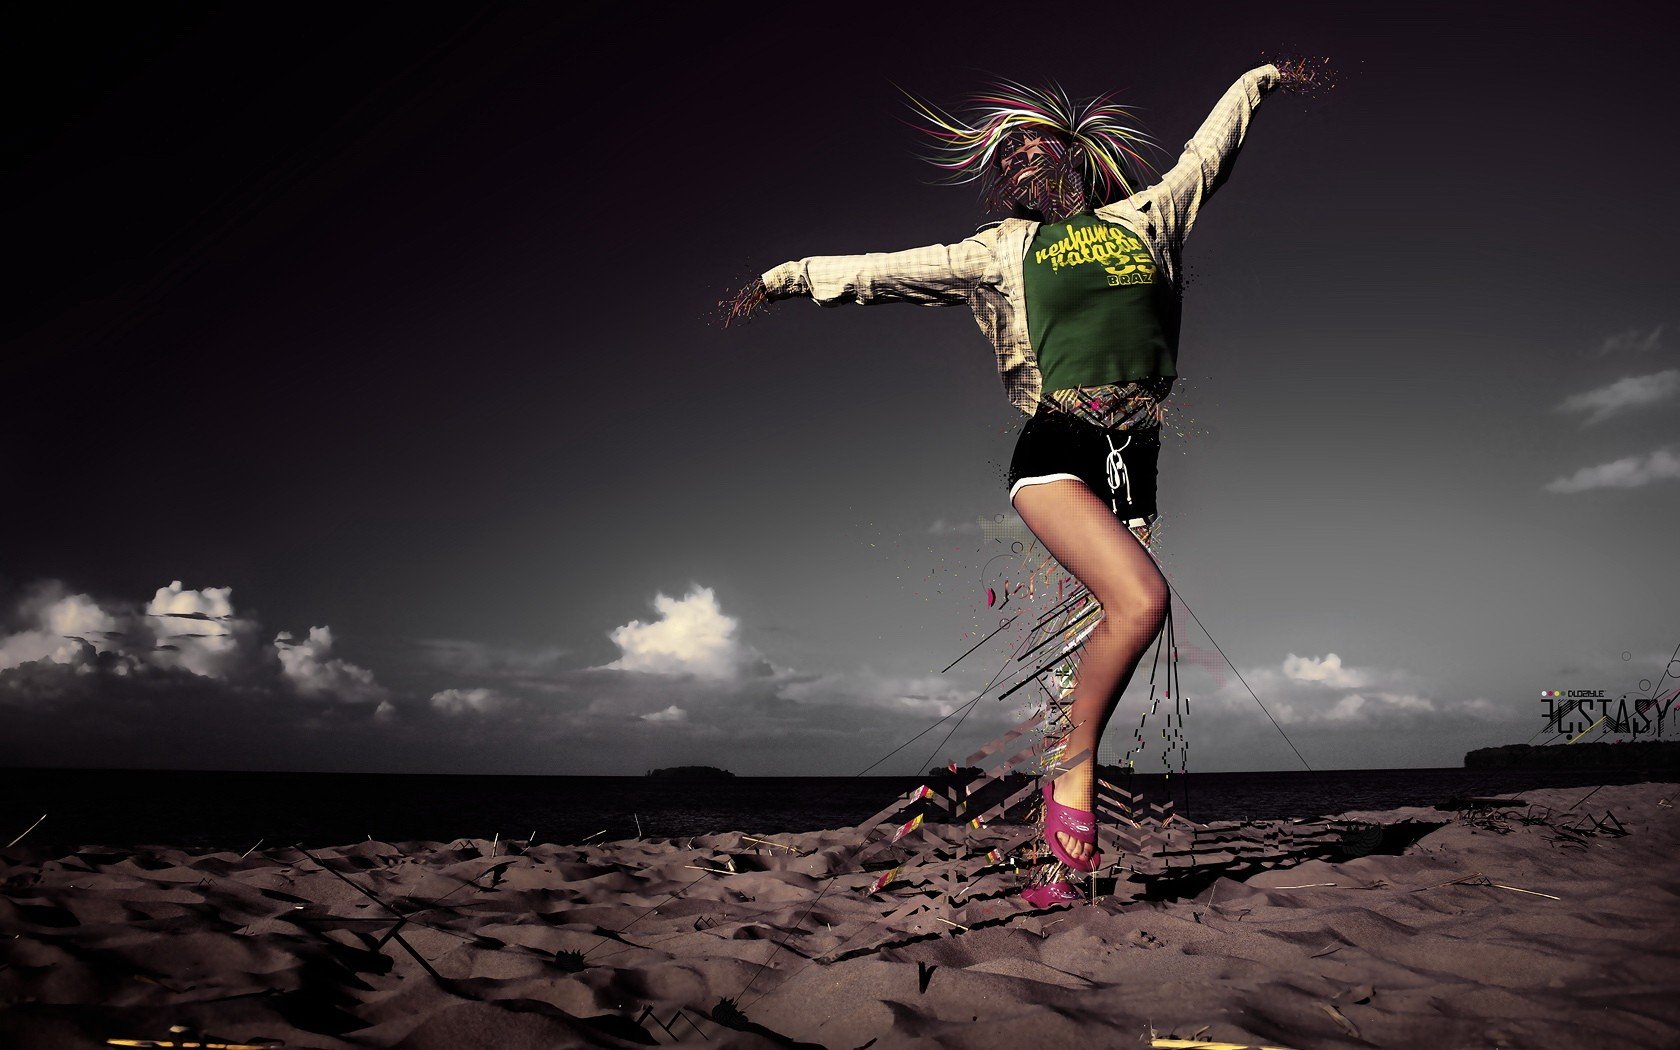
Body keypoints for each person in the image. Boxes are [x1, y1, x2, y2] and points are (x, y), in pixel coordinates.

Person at [722, 57, 1331, 904]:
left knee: (1089, 653)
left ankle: (1067, 866)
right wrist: (784, 279)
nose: (1016, 162)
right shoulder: (1003, 251)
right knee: (1143, 604)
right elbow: (890, 269)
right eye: (1002, 161)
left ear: (1073, 151)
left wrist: (1262, 77)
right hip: (1056, 448)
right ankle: (1071, 765)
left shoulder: (1151, 215)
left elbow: (1208, 152)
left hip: (1134, 461)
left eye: (1029, 147)